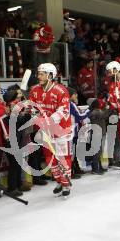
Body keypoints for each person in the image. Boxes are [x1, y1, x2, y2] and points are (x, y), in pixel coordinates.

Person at [29, 63, 73, 197]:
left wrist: (49, 120)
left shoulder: (61, 90)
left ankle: (66, 184)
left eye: (42, 74)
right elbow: (33, 109)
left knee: (63, 158)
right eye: (38, 73)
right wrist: (36, 117)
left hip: (61, 130)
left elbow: (64, 110)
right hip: (46, 131)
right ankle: (59, 181)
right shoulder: (35, 90)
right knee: (50, 159)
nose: (39, 76)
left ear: (50, 75)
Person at [2, 85, 31, 196]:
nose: (18, 99)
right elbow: (19, 122)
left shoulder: (12, 107)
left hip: (16, 138)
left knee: (17, 163)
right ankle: (12, 187)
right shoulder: (11, 108)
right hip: (11, 139)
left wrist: (25, 114)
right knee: (14, 164)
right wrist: (27, 114)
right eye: (16, 98)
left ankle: (17, 185)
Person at [88, 99, 107, 174]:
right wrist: (108, 108)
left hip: (99, 133)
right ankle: (95, 168)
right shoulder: (95, 112)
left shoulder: (97, 111)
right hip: (97, 134)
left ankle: (99, 167)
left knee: (99, 151)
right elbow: (105, 114)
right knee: (97, 151)